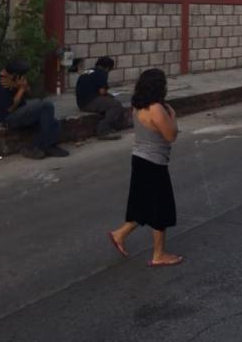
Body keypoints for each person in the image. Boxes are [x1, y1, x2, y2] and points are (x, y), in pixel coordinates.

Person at [108, 69, 183, 267]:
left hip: (139, 159)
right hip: (153, 163)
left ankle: (119, 234)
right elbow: (170, 136)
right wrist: (173, 117)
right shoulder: (157, 108)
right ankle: (159, 255)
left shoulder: (138, 105)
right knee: (161, 209)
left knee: (143, 204)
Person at [0, 59, 69, 160]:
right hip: (7, 119)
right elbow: (10, 109)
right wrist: (21, 89)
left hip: (20, 110)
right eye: (20, 76)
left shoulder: (12, 79)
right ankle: (45, 147)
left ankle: (36, 147)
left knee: (53, 122)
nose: (22, 78)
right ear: (14, 74)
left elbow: (30, 94)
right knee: (46, 105)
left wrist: (21, 87)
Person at [76, 57, 125, 140]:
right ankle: (103, 131)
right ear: (107, 68)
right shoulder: (102, 73)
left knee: (107, 103)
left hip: (81, 102)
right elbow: (102, 92)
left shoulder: (88, 71)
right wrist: (109, 96)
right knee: (115, 104)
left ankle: (107, 127)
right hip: (89, 102)